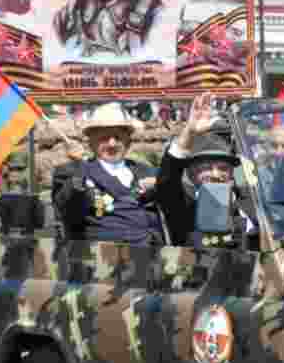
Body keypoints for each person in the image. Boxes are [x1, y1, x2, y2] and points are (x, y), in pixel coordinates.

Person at [52, 102, 166, 246]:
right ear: (91, 142)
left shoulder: (147, 171)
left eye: (118, 137)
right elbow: (68, 209)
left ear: (129, 140)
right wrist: (80, 167)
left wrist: (160, 186)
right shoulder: (71, 171)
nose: (112, 144)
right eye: (104, 138)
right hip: (102, 259)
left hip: (152, 256)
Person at [154, 92, 259, 249]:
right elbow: (166, 182)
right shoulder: (183, 207)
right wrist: (189, 131)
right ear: (192, 174)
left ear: (231, 173)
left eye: (223, 168)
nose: (215, 174)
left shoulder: (249, 203)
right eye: (206, 168)